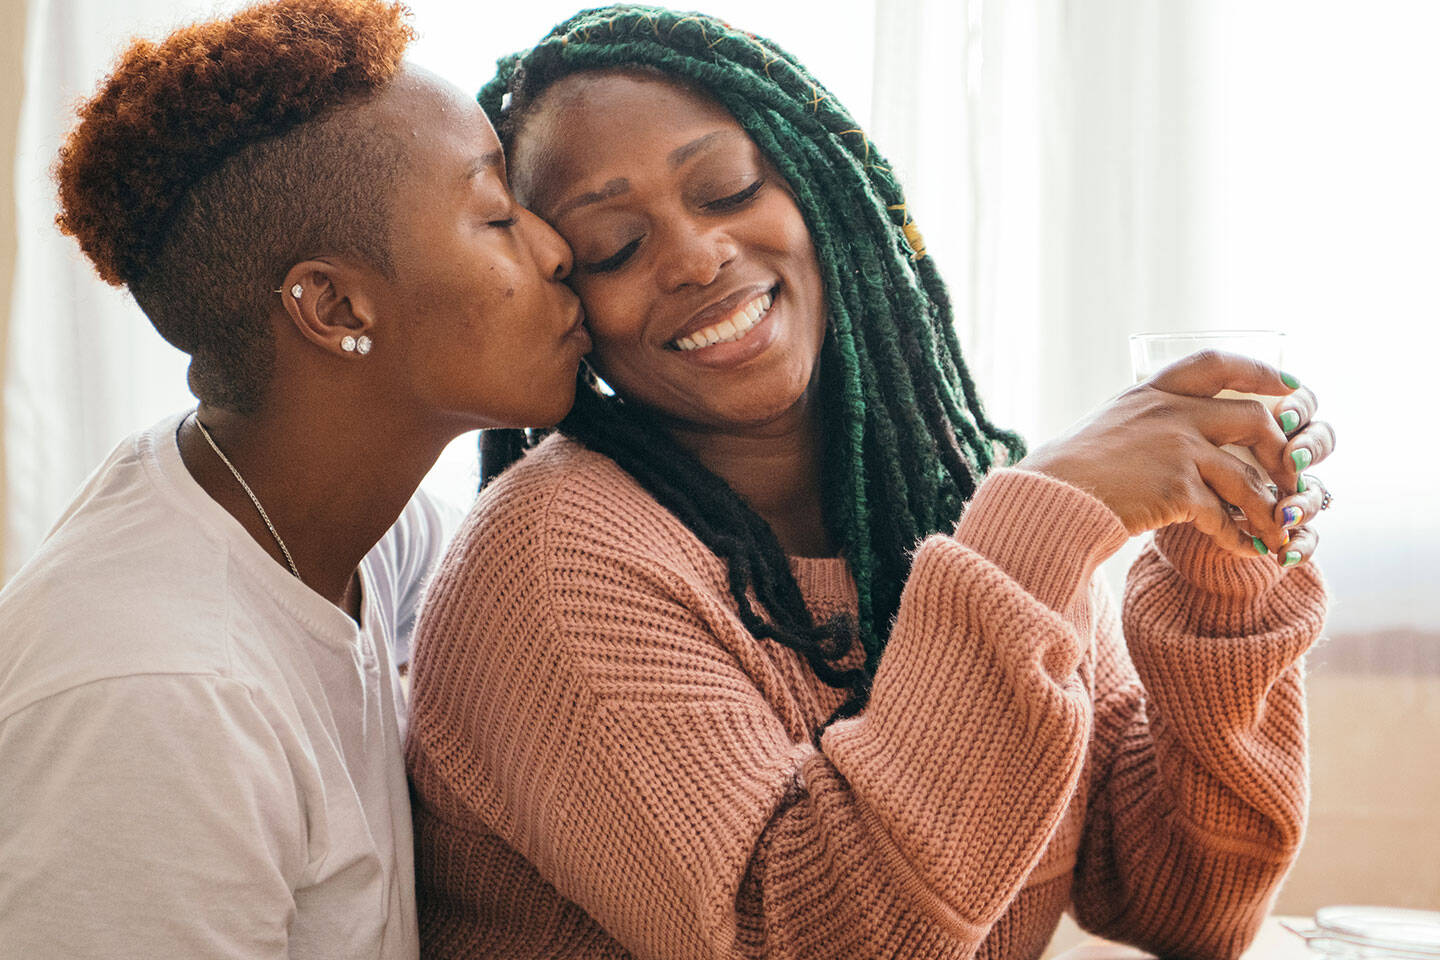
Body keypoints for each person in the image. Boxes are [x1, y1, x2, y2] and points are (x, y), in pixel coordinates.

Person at [406, 6, 1335, 959]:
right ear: (569, 297)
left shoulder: (949, 493)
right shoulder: (552, 563)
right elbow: (817, 939)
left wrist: (1222, 579)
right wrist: (1045, 520)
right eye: (613, 247)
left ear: (822, 187)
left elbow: (1181, 903)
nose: (694, 256)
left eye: (725, 188)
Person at [0, 1, 590, 956]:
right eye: (494, 214)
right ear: (332, 305)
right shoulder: (156, 699)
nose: (555, 247)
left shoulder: (356, 526)